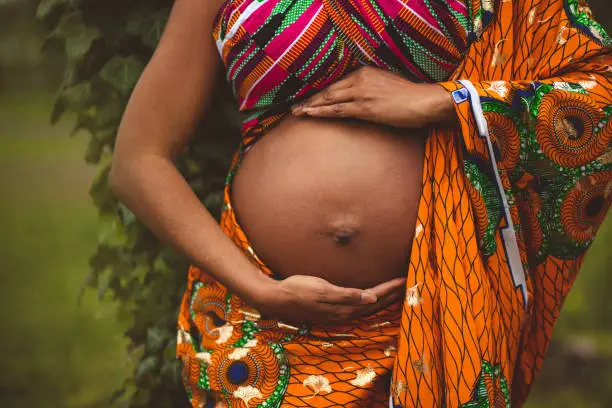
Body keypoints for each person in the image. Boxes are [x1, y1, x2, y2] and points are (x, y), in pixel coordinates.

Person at [109, 0, 612, 405]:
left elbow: (597, 94)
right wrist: (258, 289)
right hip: (268, 330)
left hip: (440, 307)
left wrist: (442, 101)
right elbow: (138, 161)